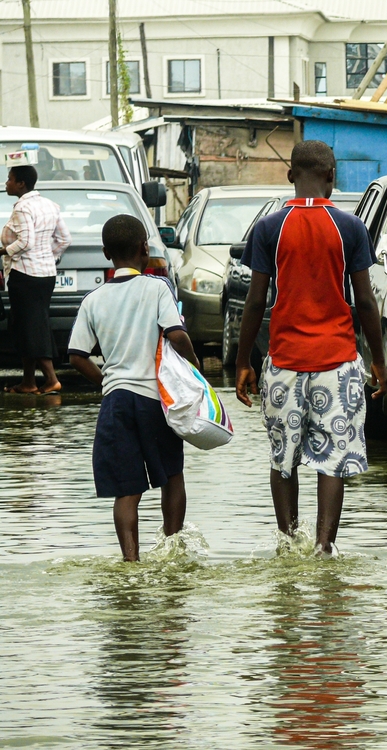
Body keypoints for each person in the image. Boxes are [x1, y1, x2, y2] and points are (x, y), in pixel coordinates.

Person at [235, 140, 387, 557]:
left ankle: (288, 545)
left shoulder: (268, 228)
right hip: (337, 364)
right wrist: (379, 360)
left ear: (290, 175)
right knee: (333, 458)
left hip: (284, 363)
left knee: (283, 459)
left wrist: (243, 361)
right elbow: (366, 302)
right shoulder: (350, 227)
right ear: (331, 177)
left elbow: (255, 301)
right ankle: (324, 545)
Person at [67, 215, 200, 562]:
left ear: (105, 253)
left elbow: (77, 356)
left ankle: (130, 561)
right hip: (154, 402)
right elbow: (176, 335)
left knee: (126, 491)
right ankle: (172, 549)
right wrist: (196, 368)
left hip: (116, 404)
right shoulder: (156, 288)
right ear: (145, 248)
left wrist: (107, 382)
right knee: (172, 477)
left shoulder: (93, 299)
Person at [1, 165, 71, 394]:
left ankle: (51, 380)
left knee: (31, 327)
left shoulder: (23, 208)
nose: (6, 183)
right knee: (28, 324)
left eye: (10, 179)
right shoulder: (49, 205)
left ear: (21, 183)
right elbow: (64, 239)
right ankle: (28, 382)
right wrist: (47, 256)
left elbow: (25, 242)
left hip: (25, 275)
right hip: (45, 274)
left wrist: (4, 251)